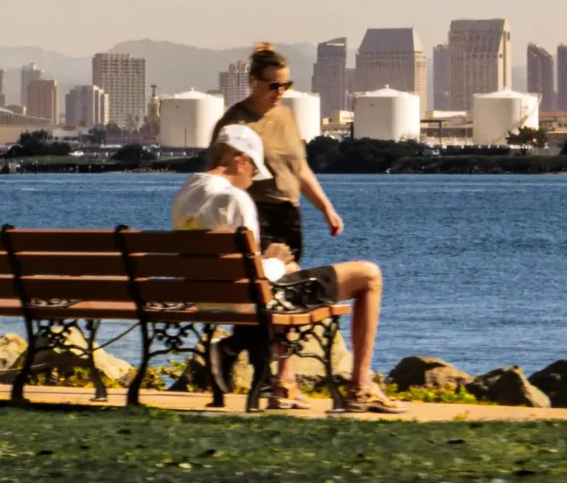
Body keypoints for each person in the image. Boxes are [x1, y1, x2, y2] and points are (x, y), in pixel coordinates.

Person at [170, 125, 399, 413]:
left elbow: (234, 266)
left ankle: (278, 379)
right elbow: (255, 279)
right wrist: (275, 259)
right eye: (253, 170)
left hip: (203, 296)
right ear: (240, 160)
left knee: (290, 267)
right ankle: (360, 387)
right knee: (369, 275)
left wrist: (273, 262)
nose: (252, 180)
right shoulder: (235, 199)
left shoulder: (185, 194)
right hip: (247, 300)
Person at [211, 46, 342, 269]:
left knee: (286, 281)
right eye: (273, 85)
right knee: (276, 277)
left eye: (285, 85)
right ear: (253, 81)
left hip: (289, 213)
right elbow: (219, 178)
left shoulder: (287, 116)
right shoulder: (235, 124)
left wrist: (326, 209)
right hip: (255, 212)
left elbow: (300, 169)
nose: (280, 91)